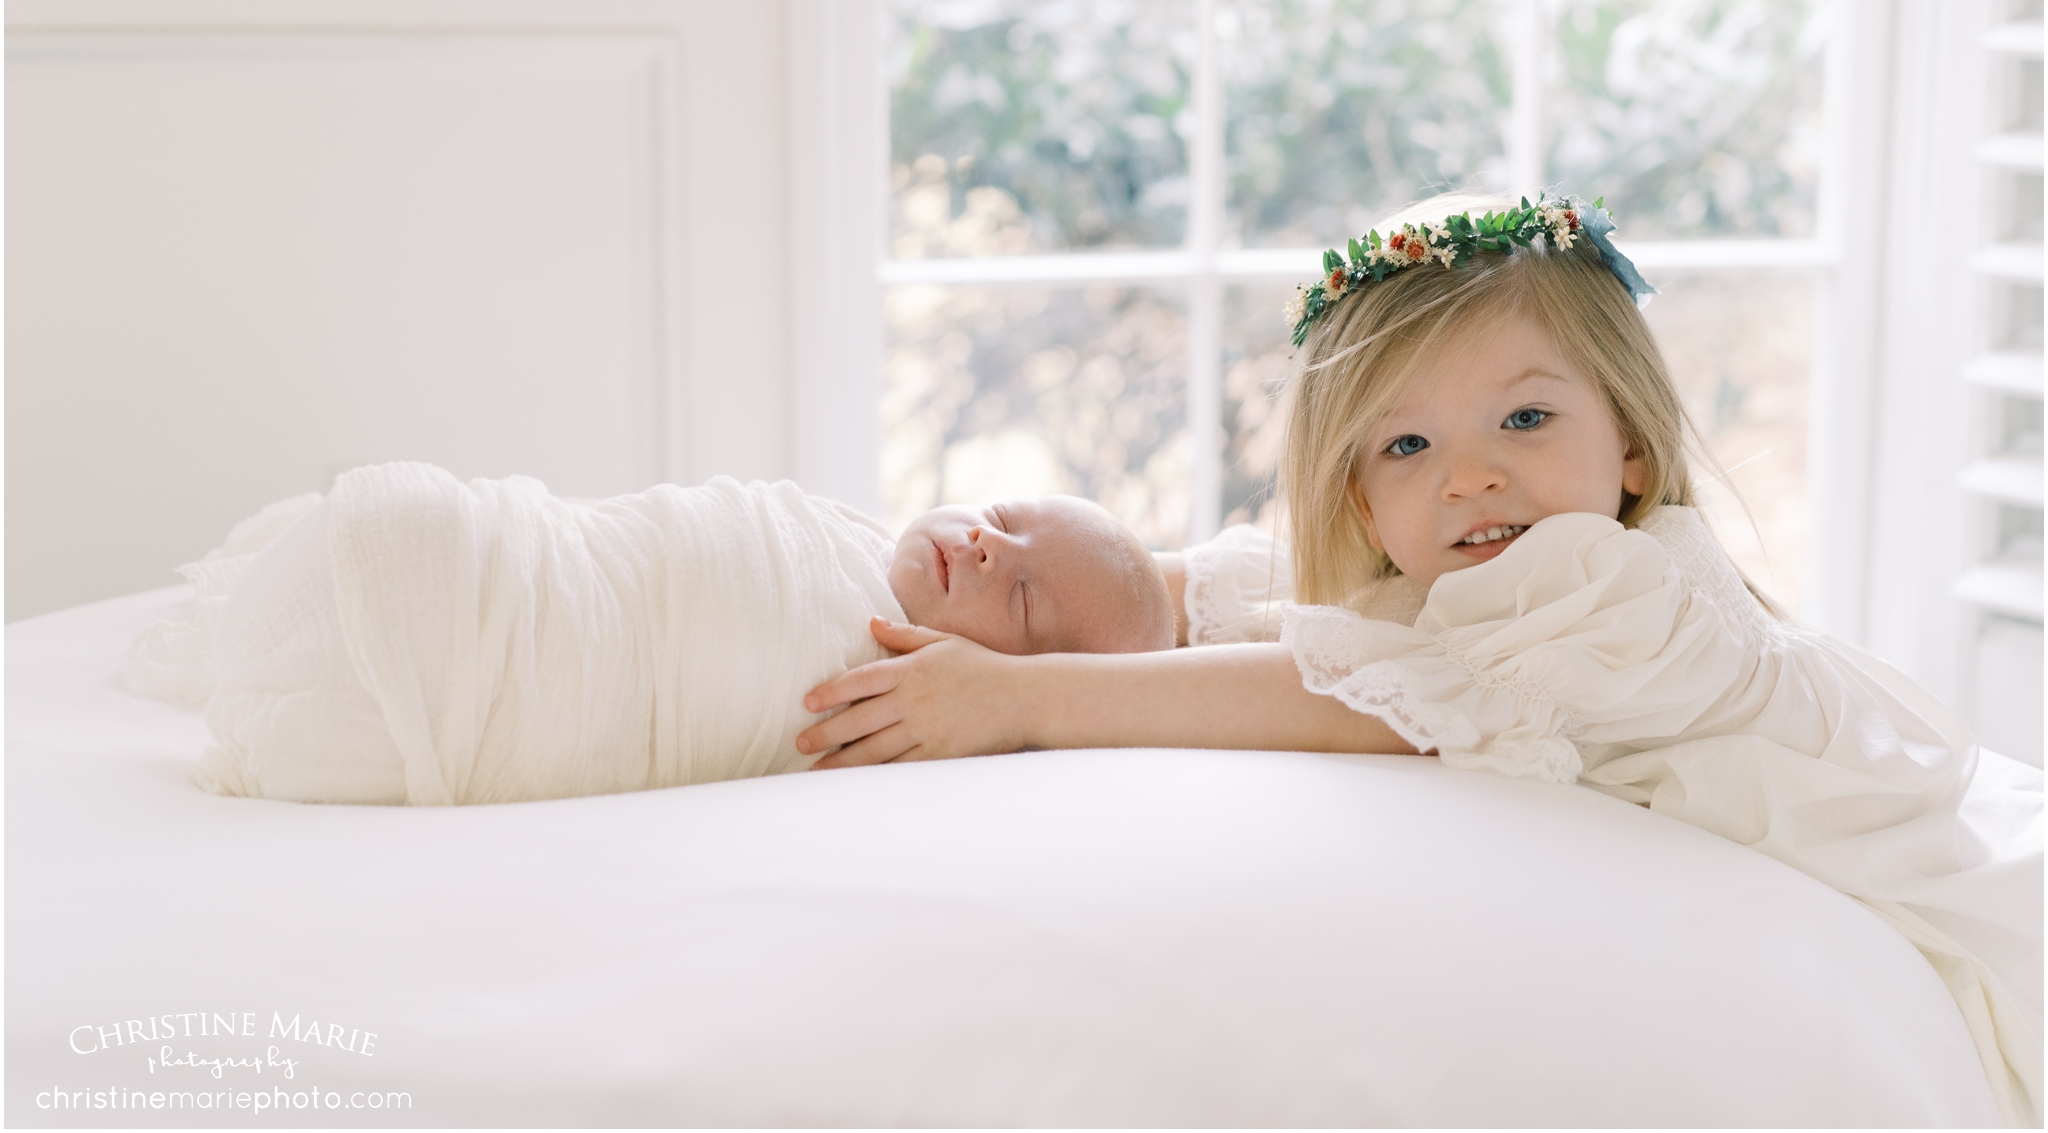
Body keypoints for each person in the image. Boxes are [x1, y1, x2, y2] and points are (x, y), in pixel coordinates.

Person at [798, 193, 2043, 1127]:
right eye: (1404, 445)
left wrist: (1022, 698)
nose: (1466, 473)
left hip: (1918, 856)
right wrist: (1052, 595)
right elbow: (1255, 593)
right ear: (1355, 497)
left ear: (1629, 452)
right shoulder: (1451, 571)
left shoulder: (1610, 587)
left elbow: (1359, 700)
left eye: (1523, 418)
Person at [120, 471, 1173, 809]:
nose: (987, 549)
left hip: (420, 691)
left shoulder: (902, 710)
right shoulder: (832, 535)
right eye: (1001, 519)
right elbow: (646, 548)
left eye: (1024, 598)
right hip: (445, 552)